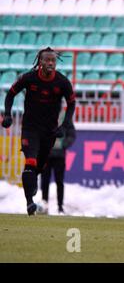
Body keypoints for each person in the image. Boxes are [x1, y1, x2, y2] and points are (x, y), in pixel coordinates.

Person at [1, 47, 76, 216]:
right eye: (47, 60)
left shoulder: (62, 82)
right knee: (31, 162)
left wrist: (64, 126)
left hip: (49, 132)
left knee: (39, 167)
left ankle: (32, 184)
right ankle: (29, 203)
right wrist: (7, 114)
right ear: (40, 62)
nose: (50, 63)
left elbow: (71, 104)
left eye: (53, 60)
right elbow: (10, 94)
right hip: (30, 129)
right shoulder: (29, 78)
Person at [39, 108, 76, 215]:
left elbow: (72, 134)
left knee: (59, 181)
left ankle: (60, 207)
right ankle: (44, 204)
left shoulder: (65, 116)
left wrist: (64, 145)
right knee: (44, 180)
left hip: (59, 155)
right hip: (46, 153)